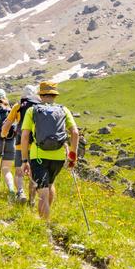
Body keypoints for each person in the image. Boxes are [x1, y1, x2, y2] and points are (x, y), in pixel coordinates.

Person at [20, 81, 79, 221]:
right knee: (50, 185)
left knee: (42, 192)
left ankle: (45, 225)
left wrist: (24, 160)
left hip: (38, 156)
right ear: (54, 95)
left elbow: (25, 136)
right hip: (58, 156)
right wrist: (72, 156)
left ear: (41, 95)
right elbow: (75, 133)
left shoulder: (32, 110)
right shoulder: (64, 110)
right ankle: (46, 216)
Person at [1, 84, 40, 203]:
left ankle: (21, 193)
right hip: (36, 145)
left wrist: (3, 134)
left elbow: (8, 123)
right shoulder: (40, 106)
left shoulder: (18, 106)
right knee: (34, 173)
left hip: (19, 143)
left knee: (19, 171)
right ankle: (32, 200)